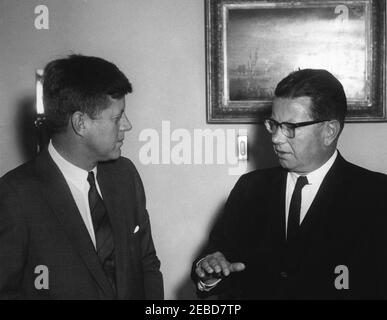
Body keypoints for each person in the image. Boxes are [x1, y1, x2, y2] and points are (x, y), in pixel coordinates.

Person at [192, 69, 387, 299]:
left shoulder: (376, 196)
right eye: (273, 124)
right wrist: (210, 274)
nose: (276, 138)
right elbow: (219, 263)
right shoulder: (249, 189)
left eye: (290, 128)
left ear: (329, 131)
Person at [0, 54, 163, 299]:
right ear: (80, 123)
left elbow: (147, 264)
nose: (127, 125)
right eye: (117, 118)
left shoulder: (125, 176)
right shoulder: (16, 195)